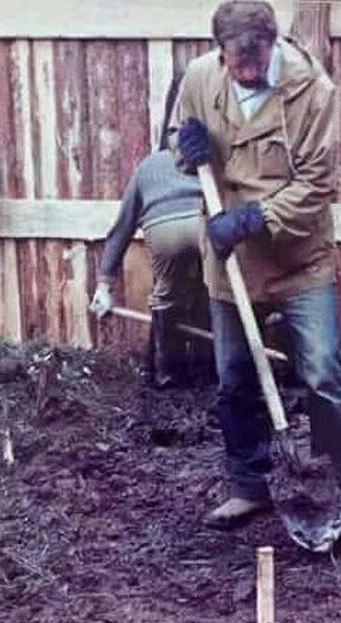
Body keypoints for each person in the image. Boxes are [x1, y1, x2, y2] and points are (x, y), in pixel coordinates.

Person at [172, 0, 341, 532]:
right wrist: (185, 150)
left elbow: (315, 185)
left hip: (298, 255)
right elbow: (177, 140)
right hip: (229, 258)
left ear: (273, 43)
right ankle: (249, 486)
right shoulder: (200, 79)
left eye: (257, 59)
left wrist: (254, 217)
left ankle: (337, 493)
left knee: (322, 371)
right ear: (221, 50)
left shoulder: (312, 92)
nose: (248, 70)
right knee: (234, 376)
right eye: (238, 61)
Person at [90, 77, 208, 389]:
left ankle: (168, 375)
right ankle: (220, 372)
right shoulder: (211, 154)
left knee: (166, 296)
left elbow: (122, 228)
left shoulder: (149, 166)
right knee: (221, 293)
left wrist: (104, 284)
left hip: (165, 229)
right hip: (205, 220)